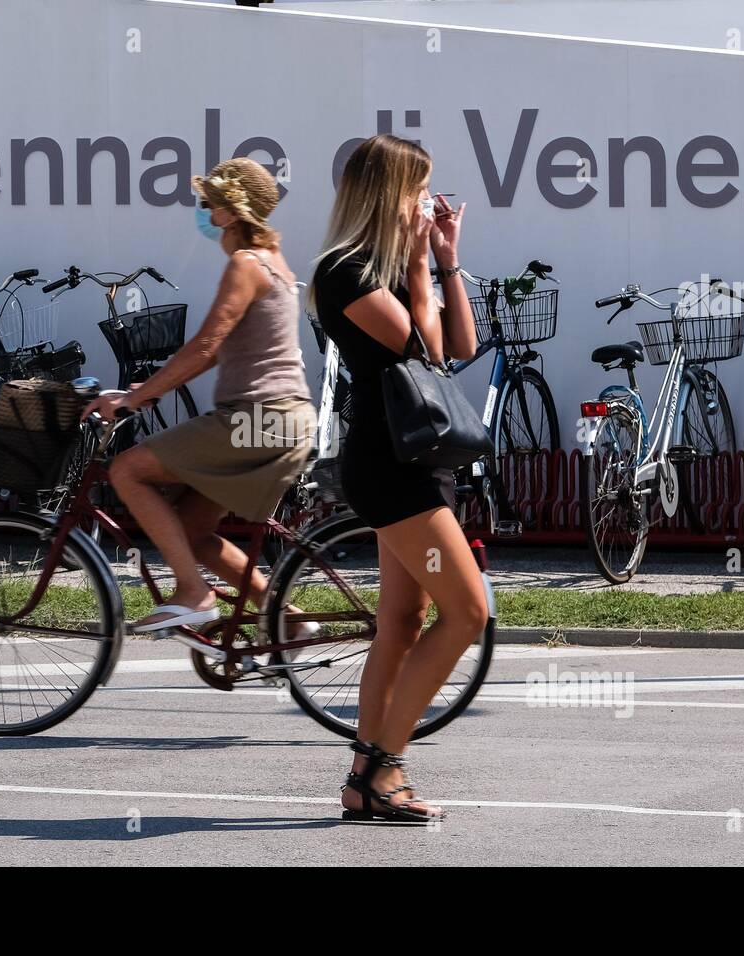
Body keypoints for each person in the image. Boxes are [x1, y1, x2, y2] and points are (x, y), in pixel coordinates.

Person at [310, 134, 490, 824]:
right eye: (418, 189)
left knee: (402, 622)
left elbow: (460, 350)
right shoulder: (344, 271)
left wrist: (445, 260)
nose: (427, 202)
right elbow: (419, 346)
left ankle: (363, 775)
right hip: (390, 469)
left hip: (424, 463)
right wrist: (418, 261)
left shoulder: (391, 265)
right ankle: (389, 764)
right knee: (467, 611)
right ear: (387, 193)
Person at [84, 157, 316, 632]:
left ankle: (193, 592)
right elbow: (213, 352)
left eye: (206, 202)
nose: (201, 211)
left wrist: (133, 400)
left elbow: (205, 344)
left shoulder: (245, 265)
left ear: (228, 212)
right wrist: (145, 392)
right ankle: (285, 618)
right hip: (283, 418)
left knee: (127, 470)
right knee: (191, 530)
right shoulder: (273, 263)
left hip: (258, 418)